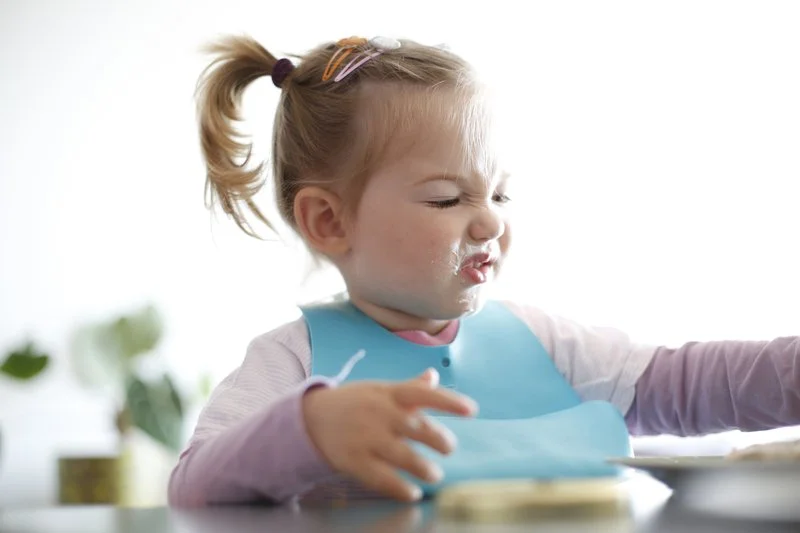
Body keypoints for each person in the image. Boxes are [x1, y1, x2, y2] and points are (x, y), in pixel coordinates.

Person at [168, 34, 800, 507]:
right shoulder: (293, 363)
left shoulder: (546, 344)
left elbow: (684, 387)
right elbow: (192, 487)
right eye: (447, 199)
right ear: (330, 221)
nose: (491, 223)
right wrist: (307, 430)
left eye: (499, 195)